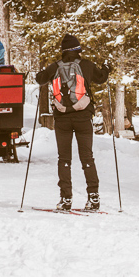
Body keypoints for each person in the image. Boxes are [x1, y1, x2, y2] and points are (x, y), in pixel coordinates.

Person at [36, 33, 110, 212]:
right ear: (78, 50)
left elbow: (40, 79)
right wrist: (107, 67)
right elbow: (101, 78)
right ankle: (93, 198)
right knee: (87, 158)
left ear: (63, 51)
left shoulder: (55, 67)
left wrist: (43, 71)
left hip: (62, 118)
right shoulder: (86, 65)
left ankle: (65, 200)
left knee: (64, 159)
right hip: (83, 116)